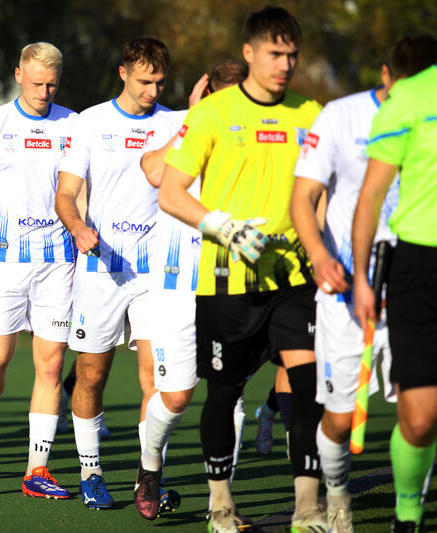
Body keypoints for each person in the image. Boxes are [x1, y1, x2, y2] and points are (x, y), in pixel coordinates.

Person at [158, 6, 324, 531]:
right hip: (227, 281)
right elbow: (169, 192)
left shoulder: (310, 113)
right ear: (250, 53)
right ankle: (221, 503)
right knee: (224, 393)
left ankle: (307, 508)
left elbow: (319, 191)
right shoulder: (212, 113)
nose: (285, 64)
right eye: (275, 53)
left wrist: (319, 250)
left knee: (306, 387)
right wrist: (225, 228)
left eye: (292, 54)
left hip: (294, 279)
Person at [290, 34, 437, 532]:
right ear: (386, 77)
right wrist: (320, 257)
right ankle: (337, 499)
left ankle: (407, 510)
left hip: (415, 285)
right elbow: (302, 197)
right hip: (348, 289)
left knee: (422, 413)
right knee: (336, 415)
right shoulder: (340, 116)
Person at [55, 36, 185, 510]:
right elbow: (65, 194)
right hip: (101, 269)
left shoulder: (175, 123)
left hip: (157, 275)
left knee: (159, 382)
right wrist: (78, 226)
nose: (153, 90)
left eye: (160, 82)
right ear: (124, 72)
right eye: (146, 80)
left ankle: (149, 476)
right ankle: (91, 472)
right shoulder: (91, 122)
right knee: (91, 376)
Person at [0, 42, 76, 498]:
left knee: (50, 366)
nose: (45, 91)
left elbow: (79, 189)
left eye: (53, 84)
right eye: (38, 82)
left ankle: (36, 471)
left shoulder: (72, 124)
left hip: (57, 263)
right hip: (2, 264)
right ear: (18, 74)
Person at [137, 58, 252, 521]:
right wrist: (191, 119)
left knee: (231, 394)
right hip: (175, 287)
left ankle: (219, 505)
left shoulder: (250, 141)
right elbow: (151, 171)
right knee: (177, 396)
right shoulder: (182, 133)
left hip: (229, 287)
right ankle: (149, 467)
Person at [352, 36, 437, 533]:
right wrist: (364, 282)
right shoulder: (406, 99)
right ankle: (408, 511)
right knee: (420, 417)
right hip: (419, 269)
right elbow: (370, 198)